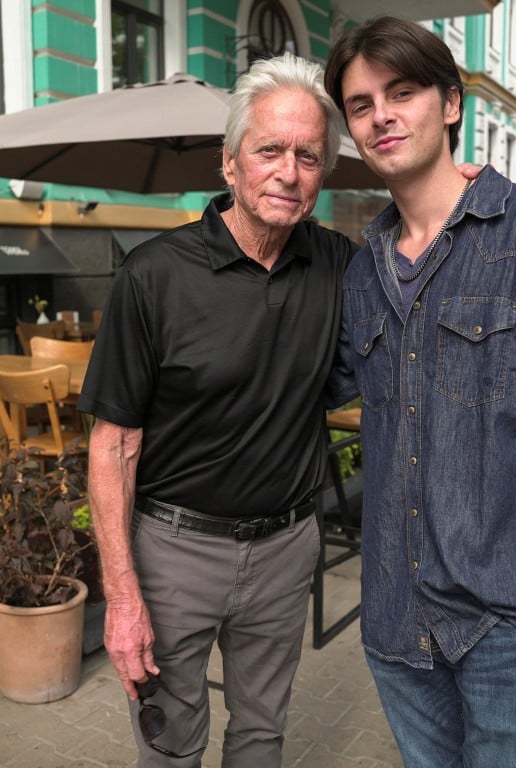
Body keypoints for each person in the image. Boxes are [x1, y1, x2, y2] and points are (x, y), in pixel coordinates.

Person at [324, 17, 516, 768]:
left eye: (401, 92)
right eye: (362, 104)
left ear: (451, 103)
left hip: (510, 626)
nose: (382, 116)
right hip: (397, 624)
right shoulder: (361, 271)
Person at [77, 53, 359, 767]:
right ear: (229, 163)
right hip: (174, 551)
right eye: (269, 150)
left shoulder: (339, 265)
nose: (288, 173)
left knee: (262, 737)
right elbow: (111, 447)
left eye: (308, 156)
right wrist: (123, 599)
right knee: (171, 746)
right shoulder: (154, 276)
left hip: (287, 548)